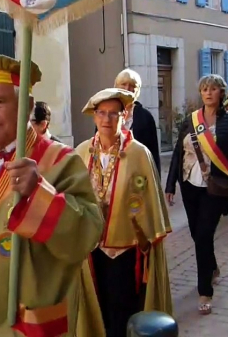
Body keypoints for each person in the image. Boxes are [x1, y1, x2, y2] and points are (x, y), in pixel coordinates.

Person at [0, 55, 104, 336]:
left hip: (27, 324)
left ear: (27, 106)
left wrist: (40, 194)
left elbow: (87, 235)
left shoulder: (60, 161)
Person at [76, 88, 172, 336]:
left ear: (124, 115)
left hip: (125, 248)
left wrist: (147, 236)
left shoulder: (139, 153)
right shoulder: (81, 152)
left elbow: (151, 201)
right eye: (101, 113)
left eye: (113, 114)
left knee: (122, 311)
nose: (106, 120)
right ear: (94, 116)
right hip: (90, 250)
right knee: (97, 309)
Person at [165, 74, 228, 315]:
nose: (208, 93)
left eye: (213, 89)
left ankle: (205, 291)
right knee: (197, 234)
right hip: (190, 185)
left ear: (221, 93)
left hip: (216, 187)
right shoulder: (190, 120)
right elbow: (177, 154)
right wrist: (170, 185)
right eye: (204, 89)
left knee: (204, 235)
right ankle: (211, 266)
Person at [114, 69, 162, 175]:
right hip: (111, 174)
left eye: (132, 86)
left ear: (138, 90)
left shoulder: (146, 117)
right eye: (123, 84)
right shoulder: (107, 113)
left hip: (137, 175)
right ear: (116, 87)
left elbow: (153, 153)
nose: (127, 89)